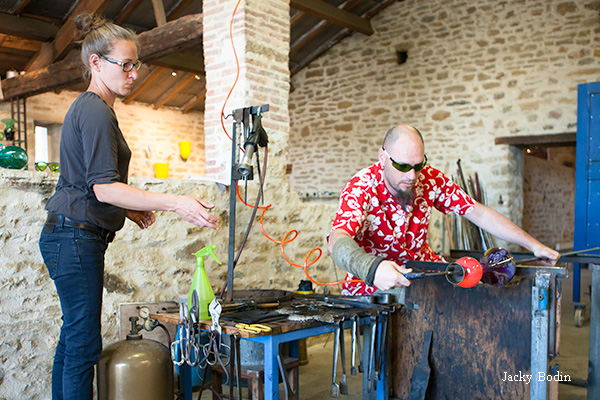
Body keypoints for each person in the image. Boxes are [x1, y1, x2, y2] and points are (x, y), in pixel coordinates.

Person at [38, 13, 219, 400]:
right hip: (74, 238)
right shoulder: (96, 110)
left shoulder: (93, 109)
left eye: (136, 64)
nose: (134, 73)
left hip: (68, 234)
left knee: (73, 341)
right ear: (96, 63)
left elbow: (90, 184)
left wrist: (129, 209)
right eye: (126, 64)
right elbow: (104, 188)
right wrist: (177, 202)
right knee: (83, 346)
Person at [327, 125, 559, 296]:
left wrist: (533, 245)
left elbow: (477, 213)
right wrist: (372, 268)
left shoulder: (429, 180)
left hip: (423, 273)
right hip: (372, 283)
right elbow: (338, 239)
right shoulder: (361, 186)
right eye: (402, 166)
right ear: (382, 157)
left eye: (418, 166)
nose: (412, 176)